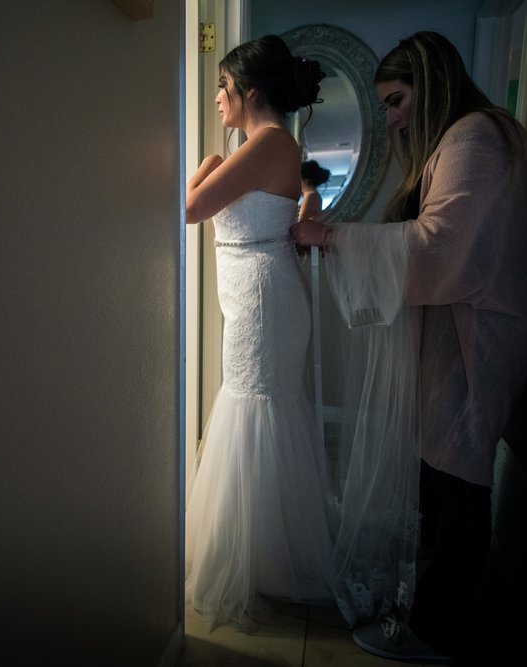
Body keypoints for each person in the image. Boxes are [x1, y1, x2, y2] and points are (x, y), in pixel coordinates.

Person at [292, 31, 527, 662]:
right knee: (445, 473)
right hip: (462, 329)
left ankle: (438, 632)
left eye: (399, 101)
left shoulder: (477, 138)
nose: (395, 119)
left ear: (431, 85)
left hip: (475, 332)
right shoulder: (466, 139)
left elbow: (438, 249)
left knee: (458, 478)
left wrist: (331, 238)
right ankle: (435, 618)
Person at [184, 35, 333, 630]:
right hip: (260, 292)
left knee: (254, 405)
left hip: (263, 299)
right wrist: (310, 196)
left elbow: (190, 208)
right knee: (259, 405)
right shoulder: (275, 147)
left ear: (250, 93)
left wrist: (207, 166)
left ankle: (262, 560)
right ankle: (270, 552)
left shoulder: (267, 142)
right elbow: (299, 191)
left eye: (223, 88)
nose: (218, 99)